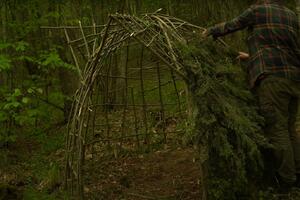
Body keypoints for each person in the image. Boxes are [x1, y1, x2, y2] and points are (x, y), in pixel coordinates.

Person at [203, 0, 300, 189]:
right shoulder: (290, 15)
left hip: (272, 80)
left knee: (277, 129)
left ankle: (287, 181)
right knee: (289, 128)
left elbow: (233, 25)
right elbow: (287, 47)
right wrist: (253, 56)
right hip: (294, 79)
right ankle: (297, 173)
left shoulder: (257, 10)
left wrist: (209, 31)